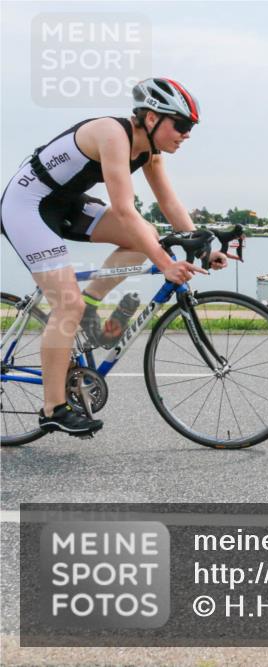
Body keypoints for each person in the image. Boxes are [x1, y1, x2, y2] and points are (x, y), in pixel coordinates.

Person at [0, 77, 229, 437]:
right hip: (26, 207)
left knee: (146, 238)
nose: (186, 134)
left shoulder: (149, 152)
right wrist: (166, 264)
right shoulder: (111, 134)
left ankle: (89, 302)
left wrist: (204, 247)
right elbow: (124, 209)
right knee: (67, 306)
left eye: (191, 128)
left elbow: (168, 203)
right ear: (152, 118)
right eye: (181, 125)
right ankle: (53, 408)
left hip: (66, 204)